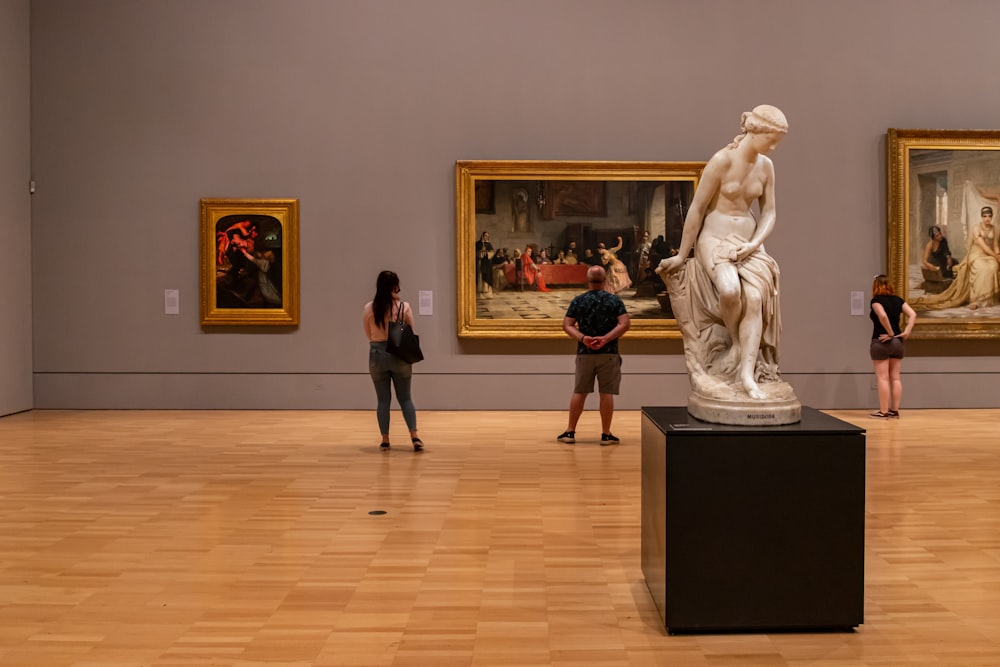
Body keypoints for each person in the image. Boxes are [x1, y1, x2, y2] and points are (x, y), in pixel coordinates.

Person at [656, 104, 789, 400]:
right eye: (772, 138)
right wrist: (681, 254)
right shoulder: (721, 161)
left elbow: (769, 212)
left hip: (749, 244)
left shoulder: (766, 167)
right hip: (714, 240)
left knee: (754, 298)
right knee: (729, 291)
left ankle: (746, 374)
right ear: (756, 130)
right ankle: (736, 342)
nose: (775, 146)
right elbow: (697, 209)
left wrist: (754, 244)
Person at [557, 265, 631, 446]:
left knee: (580, 392)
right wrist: (605, 339)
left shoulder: (579, 300)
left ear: (588, 279)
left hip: (585, 353)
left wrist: (583, 338)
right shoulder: (614, 300)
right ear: (605, 279)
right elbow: (625, 323)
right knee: (606, 393)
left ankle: (570, 432)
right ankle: (606, 434)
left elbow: (567, 325)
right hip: (609, 353)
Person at [362, 270, 424, 452]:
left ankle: (385, 439)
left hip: (376, 354)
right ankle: (414, 436)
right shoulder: (403, 307)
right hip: (399, 356)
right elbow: (410, 330)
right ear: (394, 286)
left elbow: (367, 333)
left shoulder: (369, 308)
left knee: (382, 400)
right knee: (405, 398)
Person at [914, 206, 1000, 310]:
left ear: (992, 217)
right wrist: (995, 256)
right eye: (985, 216)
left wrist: (998, 256)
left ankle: (989, 299)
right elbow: (983, 246)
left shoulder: (995, 228)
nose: (987, 218)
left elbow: (995, 245)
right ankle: (978, 300)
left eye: (989, 216)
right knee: (982, 268)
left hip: (989, 256)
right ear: (981, 217)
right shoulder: (976, 228)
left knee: (994, 267)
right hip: (976, 254)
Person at [869, 274, 916, 419]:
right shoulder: (898, 300)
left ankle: (883, 411)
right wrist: (906, 332)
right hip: (897, 342)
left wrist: (889, 333)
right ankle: (894, 410)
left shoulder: (876, 301)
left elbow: (882, 316)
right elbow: (913, 314)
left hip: (881, 341)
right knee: (895, 378)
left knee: (883, 378)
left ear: (876, 286)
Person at [476, 231, 495, 296]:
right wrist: (481, 251)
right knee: (480, 275)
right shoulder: (478, 243)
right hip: (481, 262)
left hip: (487, 262)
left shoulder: (489, 244)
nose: (487, 237)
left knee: (487, 275)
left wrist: (487, 253)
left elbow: (492, 252)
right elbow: (476, 253)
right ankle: (480, 291)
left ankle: (487, 291)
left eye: (488, 236)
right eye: (485, 235)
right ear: (482, 236)